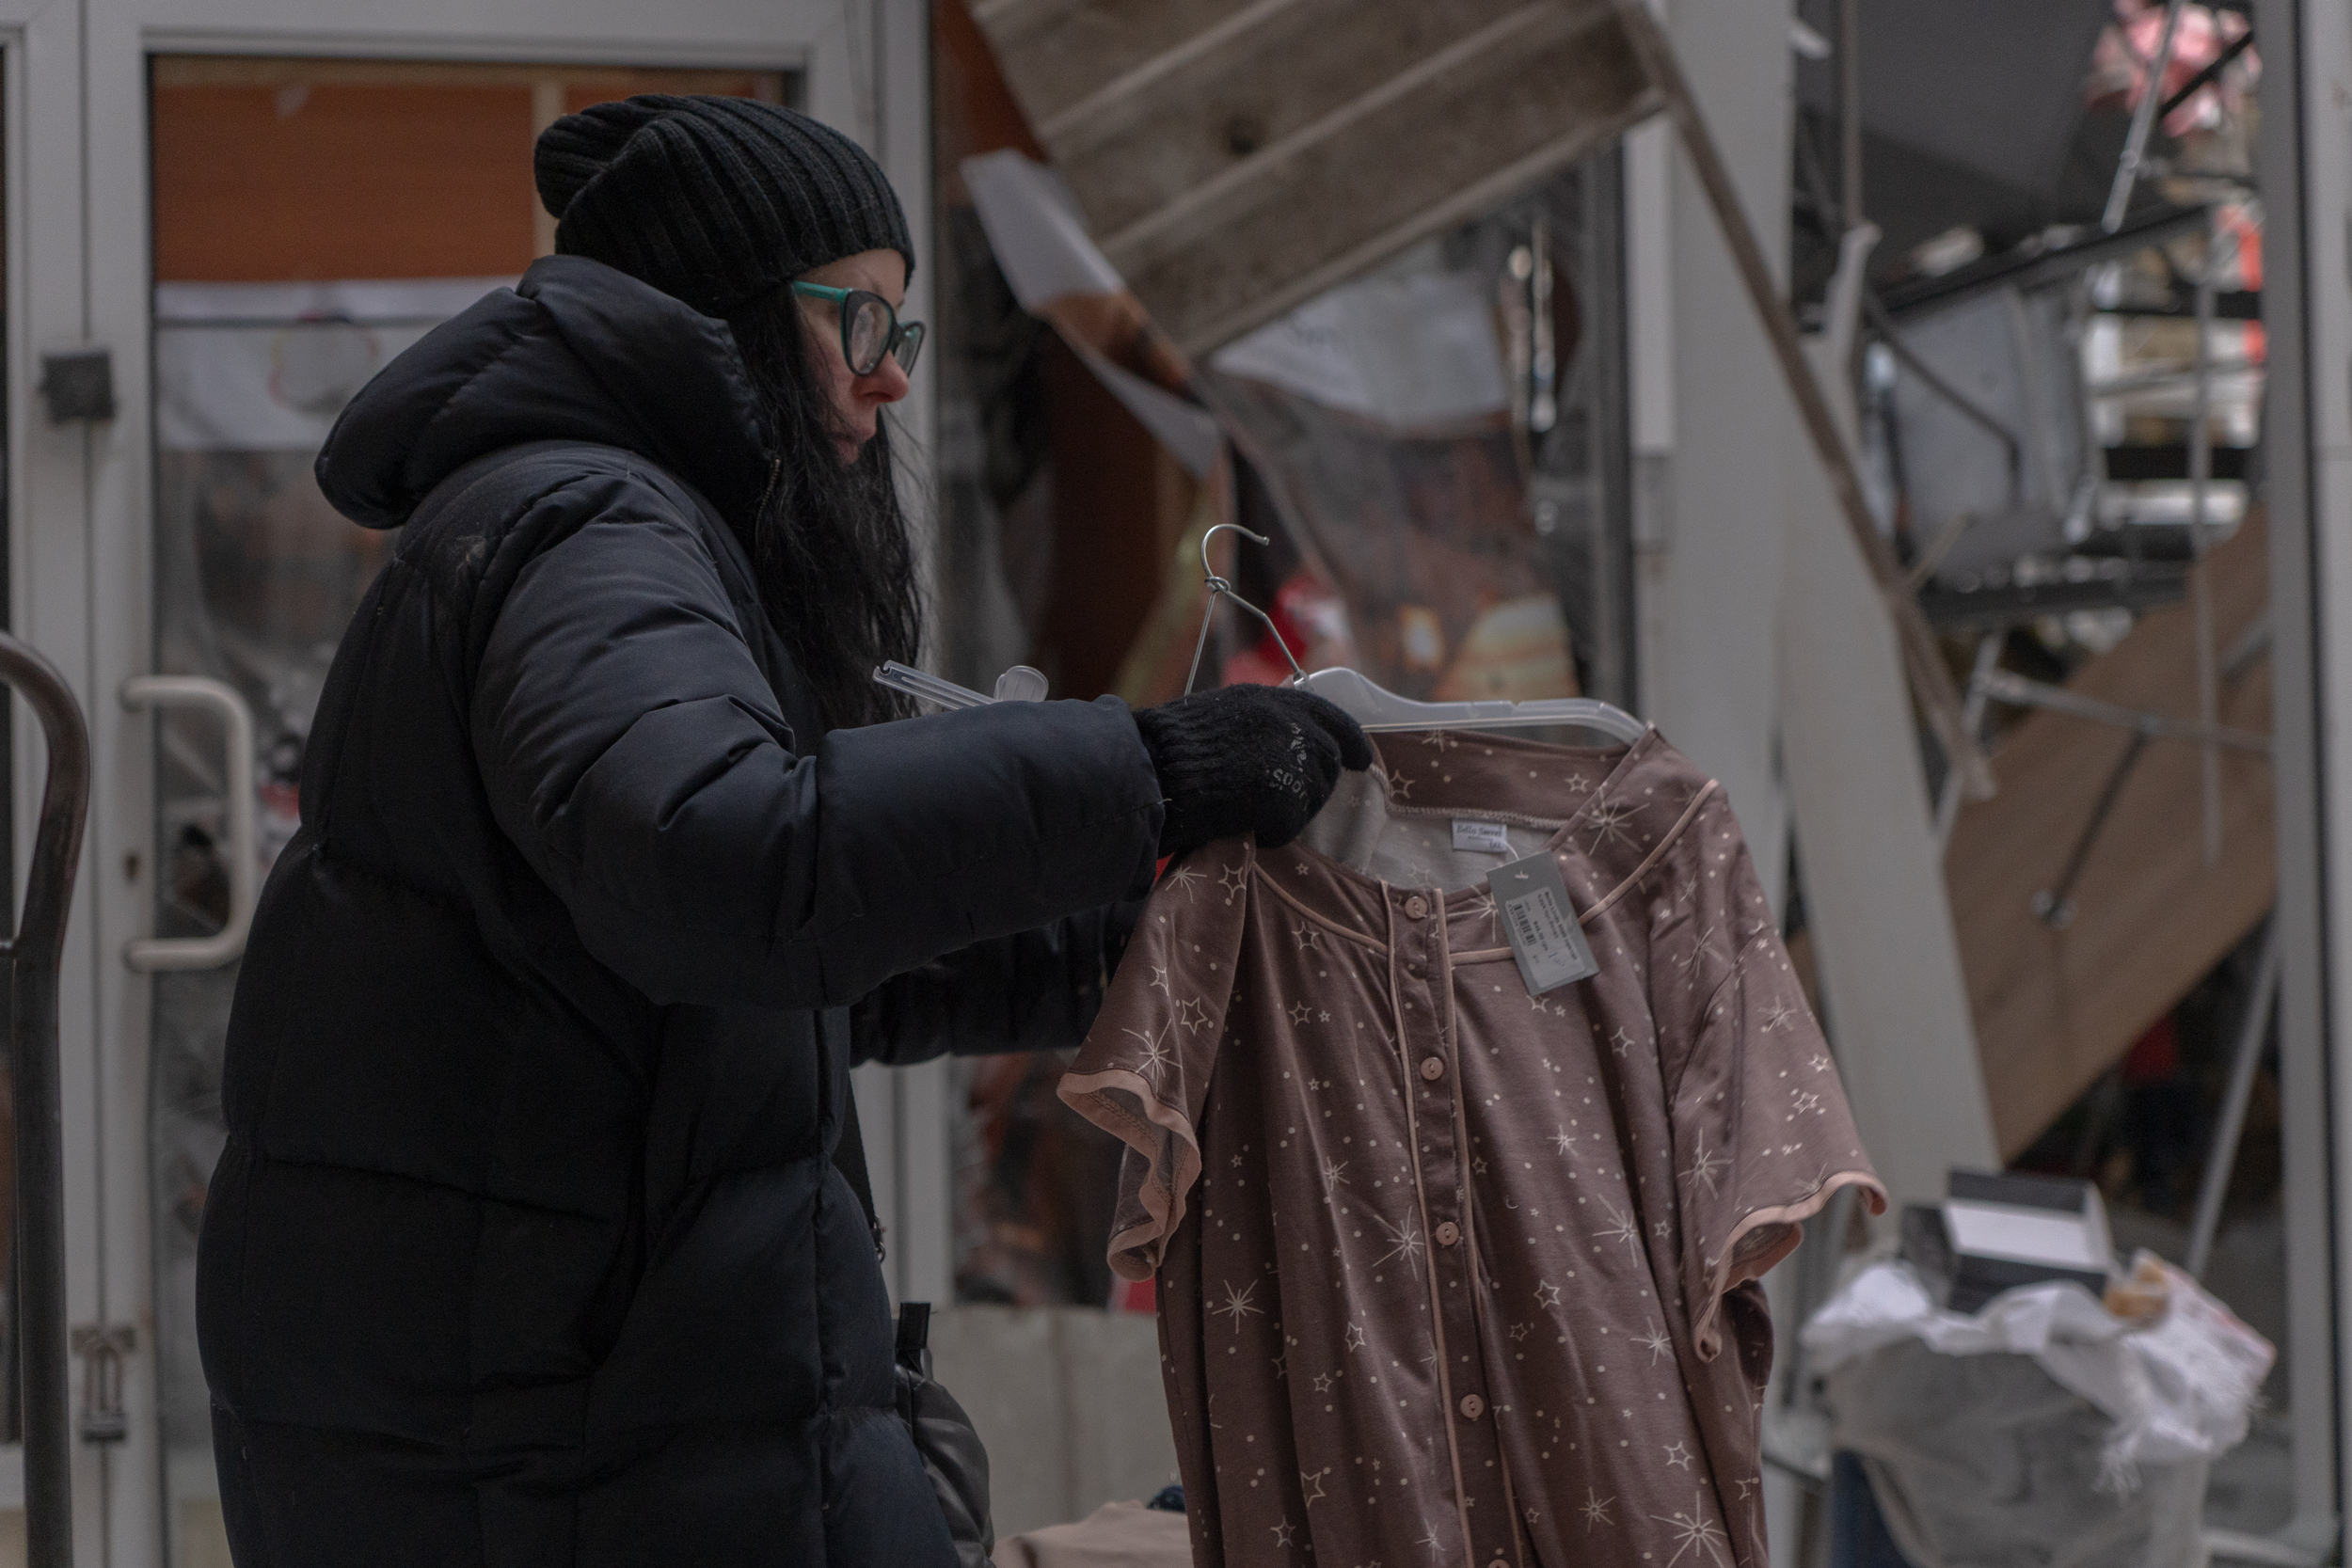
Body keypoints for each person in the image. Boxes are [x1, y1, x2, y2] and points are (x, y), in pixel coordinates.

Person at [194, 95, 1370, 1568]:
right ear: (735, 324)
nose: (885, 391)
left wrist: (1125, 943)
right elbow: (719, 864)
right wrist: (1148, 772)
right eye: (858, 326)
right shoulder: (591, 532)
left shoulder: (616, 522)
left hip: (580, 1401)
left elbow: (780, 969)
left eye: (902, 336)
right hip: (563, 1440)